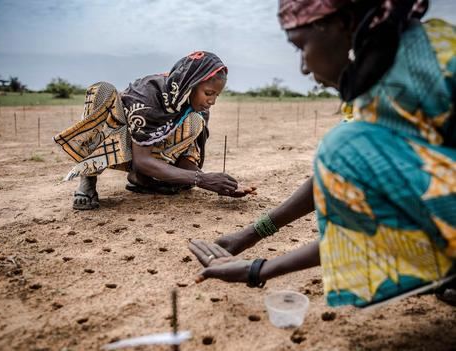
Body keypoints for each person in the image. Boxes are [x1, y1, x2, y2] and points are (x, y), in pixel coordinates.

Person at [189, 0, 456, 307]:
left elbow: (364, 212)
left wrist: (258, 269)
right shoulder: (391, 67)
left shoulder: (421, 73)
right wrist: (250, 235)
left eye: (301, 46)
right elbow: (339, 172)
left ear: (339, 25)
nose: (303, 66)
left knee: (341, 144)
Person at [54, 51, 254, 210]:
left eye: (216, 95)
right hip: (118, 142)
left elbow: (187, 159)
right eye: (208, 93)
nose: (212, 101)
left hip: (149, 155)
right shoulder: (148, 97)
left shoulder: (195, 109)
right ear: (189, 85)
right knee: (102, 90)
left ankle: (142, 180)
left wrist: (221, 185)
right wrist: (202, 180)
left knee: (195, 120)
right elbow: (142, 160)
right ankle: (88, 181)